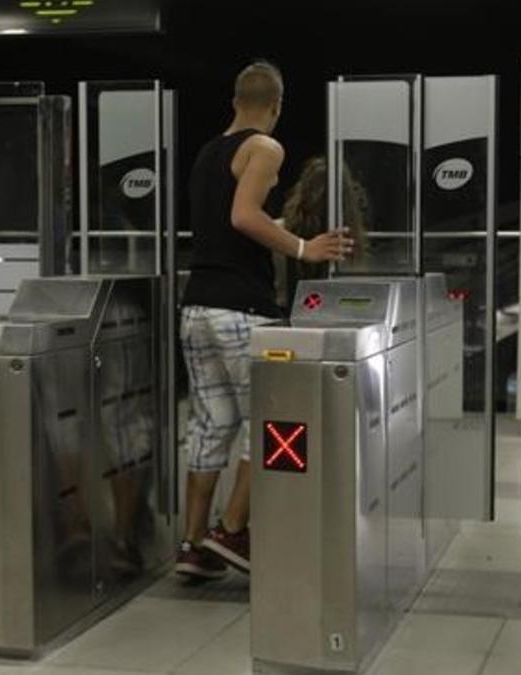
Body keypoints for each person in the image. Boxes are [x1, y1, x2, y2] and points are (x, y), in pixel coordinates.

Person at [175, 61, 353, 580]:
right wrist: (304, 246)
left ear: (235, 101)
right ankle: (232, 529)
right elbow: (242, 217)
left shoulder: (209, 151)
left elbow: (225, 224)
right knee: (268, 422)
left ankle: (193, 544)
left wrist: (280, 225)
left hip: (197, 307)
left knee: (210, 425)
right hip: (241, 310)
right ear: (276, 106)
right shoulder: (265, 147)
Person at [278, 156, 370, 307]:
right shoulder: (350, 240)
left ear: (302, 189)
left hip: (283, 317)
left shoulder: (276, 232)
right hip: (335, 314)